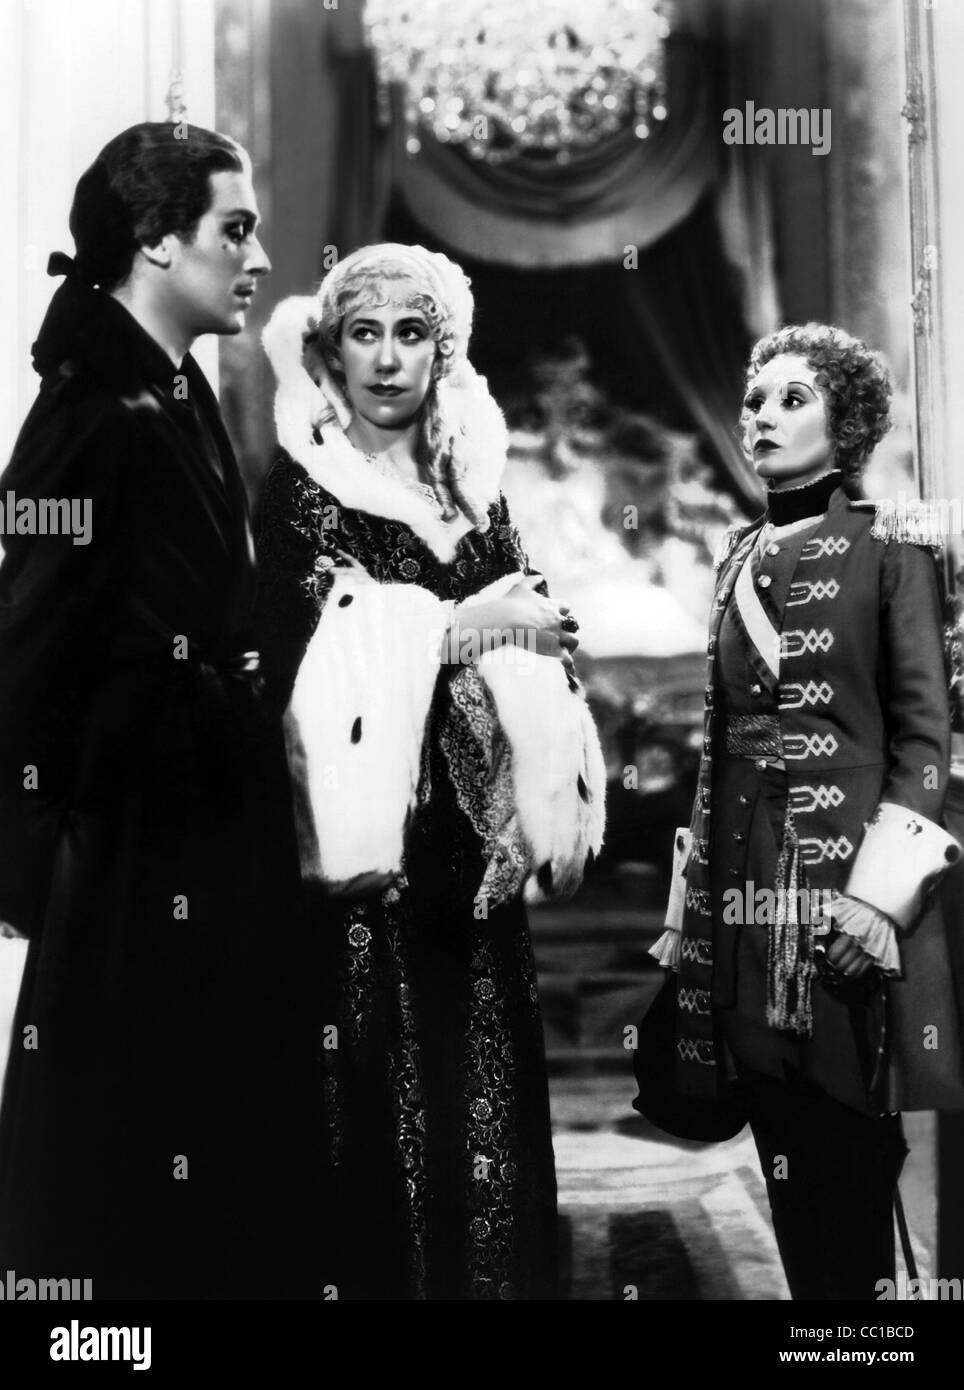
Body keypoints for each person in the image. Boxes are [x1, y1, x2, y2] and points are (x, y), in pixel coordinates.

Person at [0, 122, 321, 1298]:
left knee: (205, 1131)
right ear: (153, 239)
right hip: (136, 839)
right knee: (123, 1151)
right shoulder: (94, 410)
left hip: (201, 817)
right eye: (234, 230)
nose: (258, 257)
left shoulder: (170, 386)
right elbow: (24, 647)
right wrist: (34, 864)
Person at [257, 243, 606, 1300]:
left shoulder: (470, 486)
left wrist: (537, 630)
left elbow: (516, 612)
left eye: (411, 333)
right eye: (364, 333)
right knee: (380, 1081)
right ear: (332, 347)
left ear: (443, 348)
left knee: (481, 1072)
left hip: (474, 839)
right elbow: (307, 649)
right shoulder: (304, 487)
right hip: (372, 841)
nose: (387, 358)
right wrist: (464, 626)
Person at [649, 323, 964, 1300]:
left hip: (846, 906)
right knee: (781, 1140)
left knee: (848, 1159)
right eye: (754, 399)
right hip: (742, 901)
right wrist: (684, 916)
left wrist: (877, 900)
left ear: (850, 421)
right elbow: (714, 752)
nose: (761, 417)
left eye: (793, 398)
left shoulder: (891, 549)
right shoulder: (735, 555)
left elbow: (926, 744)